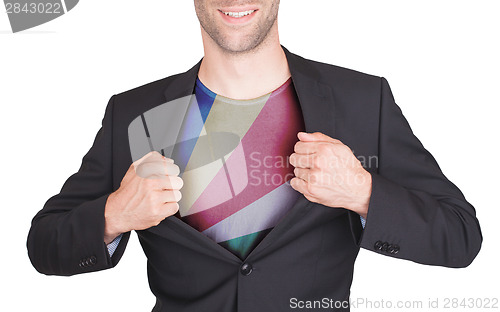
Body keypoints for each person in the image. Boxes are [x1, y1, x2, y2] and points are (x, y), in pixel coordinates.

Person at [27, 1, 482, 311]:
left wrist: (363, 192)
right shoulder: (134, 113)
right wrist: (114, 214)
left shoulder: (363, 101)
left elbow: (460, 236)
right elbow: (44, 245)